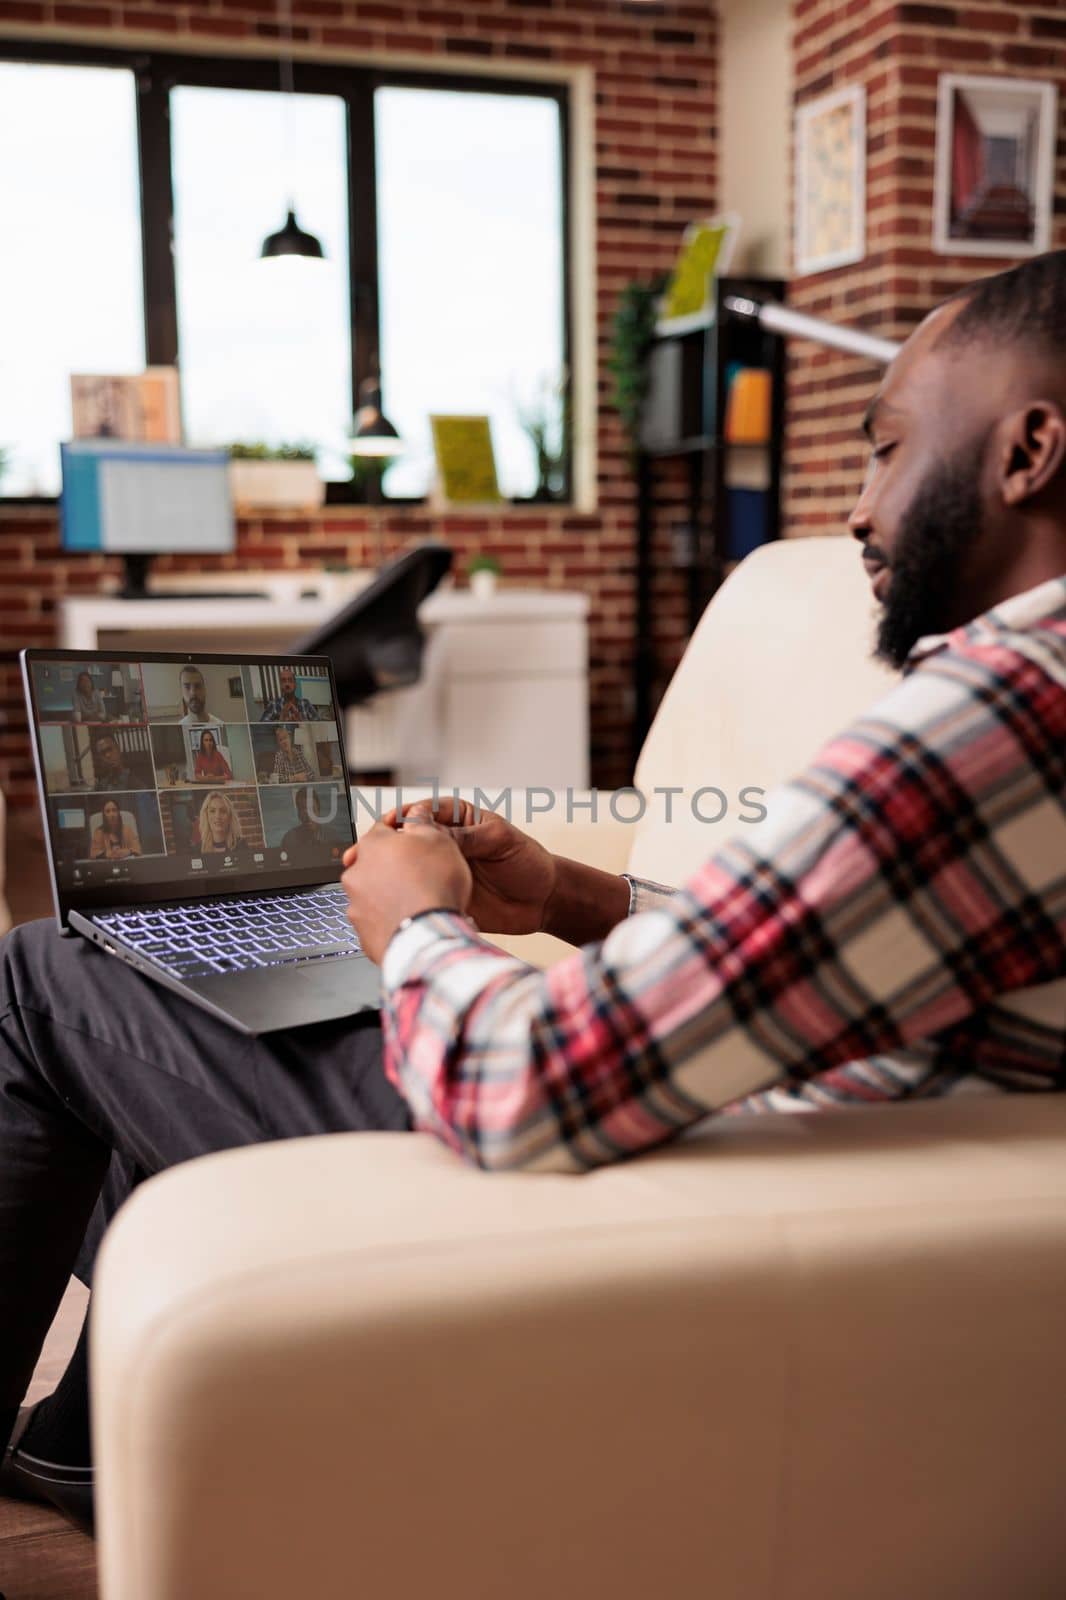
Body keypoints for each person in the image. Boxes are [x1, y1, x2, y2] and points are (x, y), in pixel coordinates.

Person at [2, 253, 1065, 1533]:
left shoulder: (997, 716)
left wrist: (414, 928)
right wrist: (571, 894)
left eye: (886, 445)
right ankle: (82, 1445)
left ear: (1030, 447)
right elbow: (830, 953)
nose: (858, 507)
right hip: (737, 1113)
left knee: (45, 978)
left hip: (654, 1184)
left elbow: (523, 1086)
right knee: (191, 986)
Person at [279, 785, 345, 865]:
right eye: (303, 809)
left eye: (312, 809)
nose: (308, 815)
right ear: (298, 814)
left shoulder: (333, 837)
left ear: (318, 810)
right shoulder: (289, 840)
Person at [197, 790, 251, 863]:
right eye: (212, 811)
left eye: (223, 811)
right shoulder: (197, 849)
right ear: (206, 816)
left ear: (229, 817)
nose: (217, 816)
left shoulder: (241, 845)